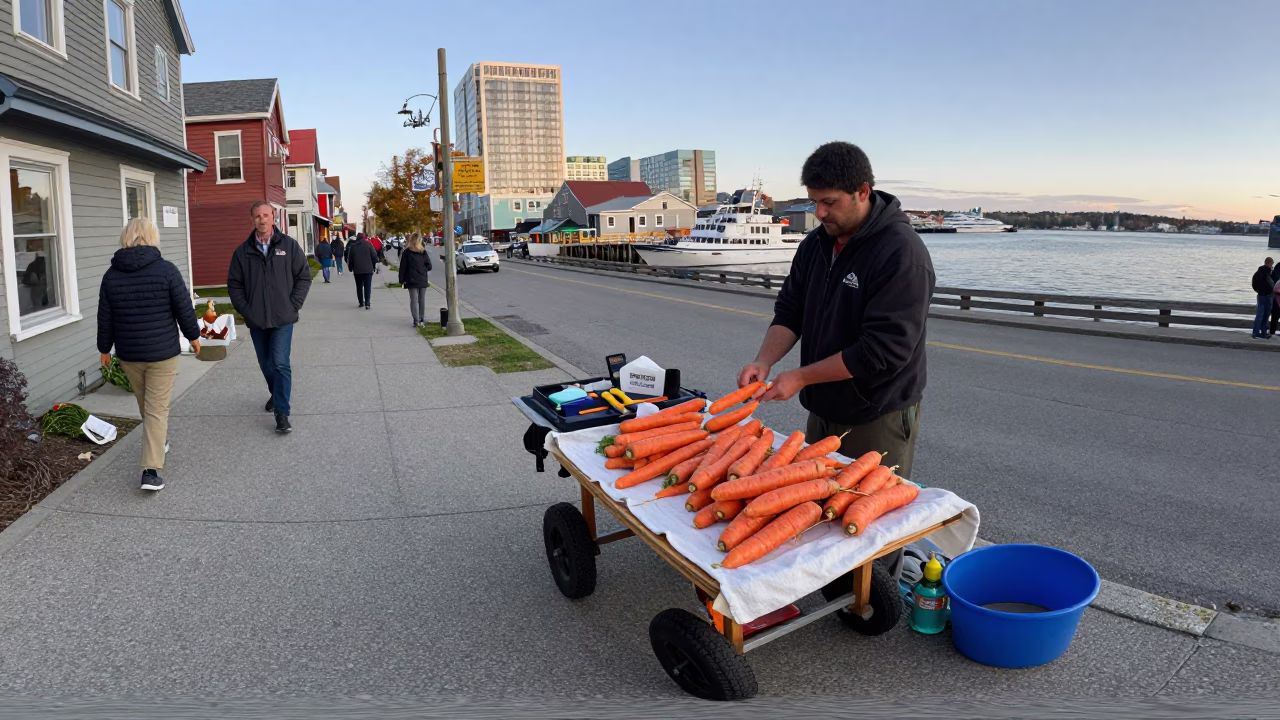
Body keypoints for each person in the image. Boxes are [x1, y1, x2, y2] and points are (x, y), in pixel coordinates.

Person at [738, 142, 935, 479]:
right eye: (815, 201)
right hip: (823, 406)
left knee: (867, 514)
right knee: (814, 500)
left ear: (862, 192)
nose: (820, 213)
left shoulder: (901, 253)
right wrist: (763, 360)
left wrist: (800, 377)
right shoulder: (815, 244)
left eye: (830, 202)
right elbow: (790, 310)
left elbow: (881, 351)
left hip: (877, 412)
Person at [96, 217, 202, 491]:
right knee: (154, 408)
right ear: (152, 237)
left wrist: (104, 349)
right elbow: (183, 308)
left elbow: (105, 317)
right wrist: (194, 337)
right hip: (162, 352)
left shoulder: (111, 275)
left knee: (149, 406)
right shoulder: (166, 270)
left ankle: (159, 441)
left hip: (129, 353)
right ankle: (150, 471)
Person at [227, 201, 312, 433]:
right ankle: (276, 394)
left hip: (283, 318)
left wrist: (293, 304)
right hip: (257, 319)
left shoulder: (289, 246)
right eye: (257, 216)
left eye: (266, 215)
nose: (262, 220)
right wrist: (246, 310)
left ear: (274, 217)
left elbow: (304, 277)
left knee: (280, 363)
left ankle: (282, 413)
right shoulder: (242, 252)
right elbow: (234, 285)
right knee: (266, 364)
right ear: (252, 220)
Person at [398, 232, 434, 328]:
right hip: (422, 278)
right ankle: (421, 318)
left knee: (414, 300)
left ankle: (416, 320)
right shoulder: (423, 252)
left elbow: (403, 267)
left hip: (411, 279)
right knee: (421, 299)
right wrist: (423, 270)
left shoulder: (406, 252)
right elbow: (429, 266)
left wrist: (401, 280)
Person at [345, 232, 379, 309]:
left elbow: (350, 259)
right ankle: (367, 303)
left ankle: (361, 302)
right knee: (367, 286)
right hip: (368, 270)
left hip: (357, 270)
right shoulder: (369, 245)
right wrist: (374, 265)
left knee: (359, 286)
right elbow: (375, 257)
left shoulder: (353, 247)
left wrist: (350, 268)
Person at [1251, 257, 1275, 339]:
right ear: (1269, 263)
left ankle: (1257, 332)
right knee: (1265, 315)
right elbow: (1271, 284)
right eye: (1272, 263)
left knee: (1260, 315)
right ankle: (1261, 333)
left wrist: (1259, 291)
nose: (1272, 265)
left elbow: (1254, 284)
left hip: (1261, 295)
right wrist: (1271, 291)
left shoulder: (1258, 273)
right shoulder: (1267, 273)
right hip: (1267, 296)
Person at [1270, 261, 1280, 337]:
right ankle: (1272, 332)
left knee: (1275, 316)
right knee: (1275, 316)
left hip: (1275, 297)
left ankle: (1272, 332)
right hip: (1277, 296)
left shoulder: (1277, 266)